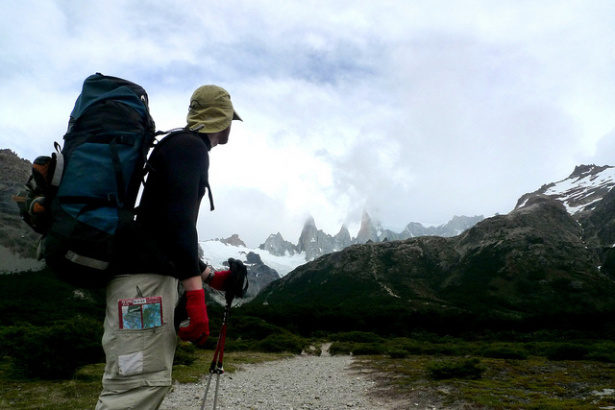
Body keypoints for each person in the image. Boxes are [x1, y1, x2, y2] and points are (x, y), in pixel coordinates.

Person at [96, 85, 243, 409]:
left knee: (142, 386)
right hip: (142, 288)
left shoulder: (179, 146)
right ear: (223, 119)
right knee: (135, 388)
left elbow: (162, 227)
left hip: (141, 284)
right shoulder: (191, 148)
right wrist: (195, 294)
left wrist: (207, 276)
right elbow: (179, 223)